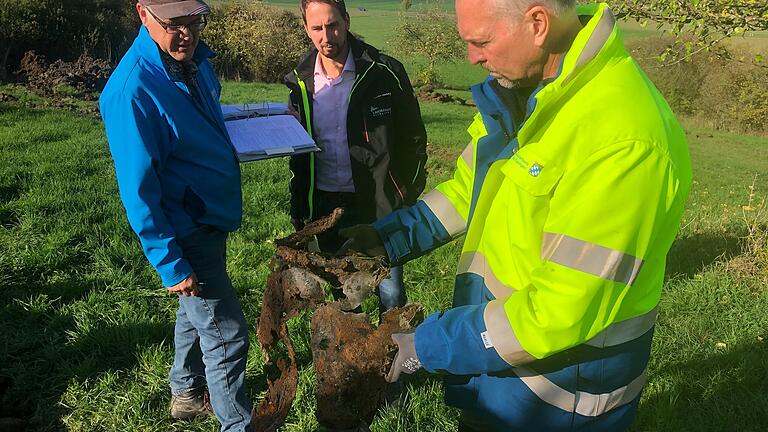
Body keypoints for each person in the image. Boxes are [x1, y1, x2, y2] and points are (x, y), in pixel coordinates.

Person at [339, 0, 693, 430]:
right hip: (497, 363)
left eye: (481, 41)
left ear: (538, 23)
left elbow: (558, 310)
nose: (472, 57)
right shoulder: (524, 94)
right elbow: (467, 190)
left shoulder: (625, 142)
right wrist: (387, 238)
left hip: (559, 397)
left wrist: (427, 345)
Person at [99, 1, 252, 430]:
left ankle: (185, 392)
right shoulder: (132, 90)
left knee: (195, 307)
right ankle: (237, 424)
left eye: (194, 21)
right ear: (142, 14)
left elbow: (209, 120)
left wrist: (268, 118)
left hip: (210, 214)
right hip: (184, 227)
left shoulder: (195, 62)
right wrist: (170, 263)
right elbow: (139, 192)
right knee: (227, 334)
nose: (187, 33)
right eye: (175, 24)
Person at [284, 0, 428, 312]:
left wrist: (406, 193)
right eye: (317, 28)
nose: (327, 36)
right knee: (343, 296)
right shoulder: (300, 82)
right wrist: (300, 206)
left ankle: (397, 359)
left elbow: (414, 137)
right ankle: (353, 358)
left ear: (347, 21)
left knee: (390, 293)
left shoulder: (384, 73)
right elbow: (297, 154)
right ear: (306, 29)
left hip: (380, 203)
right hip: (326, 206)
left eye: (333, 25)